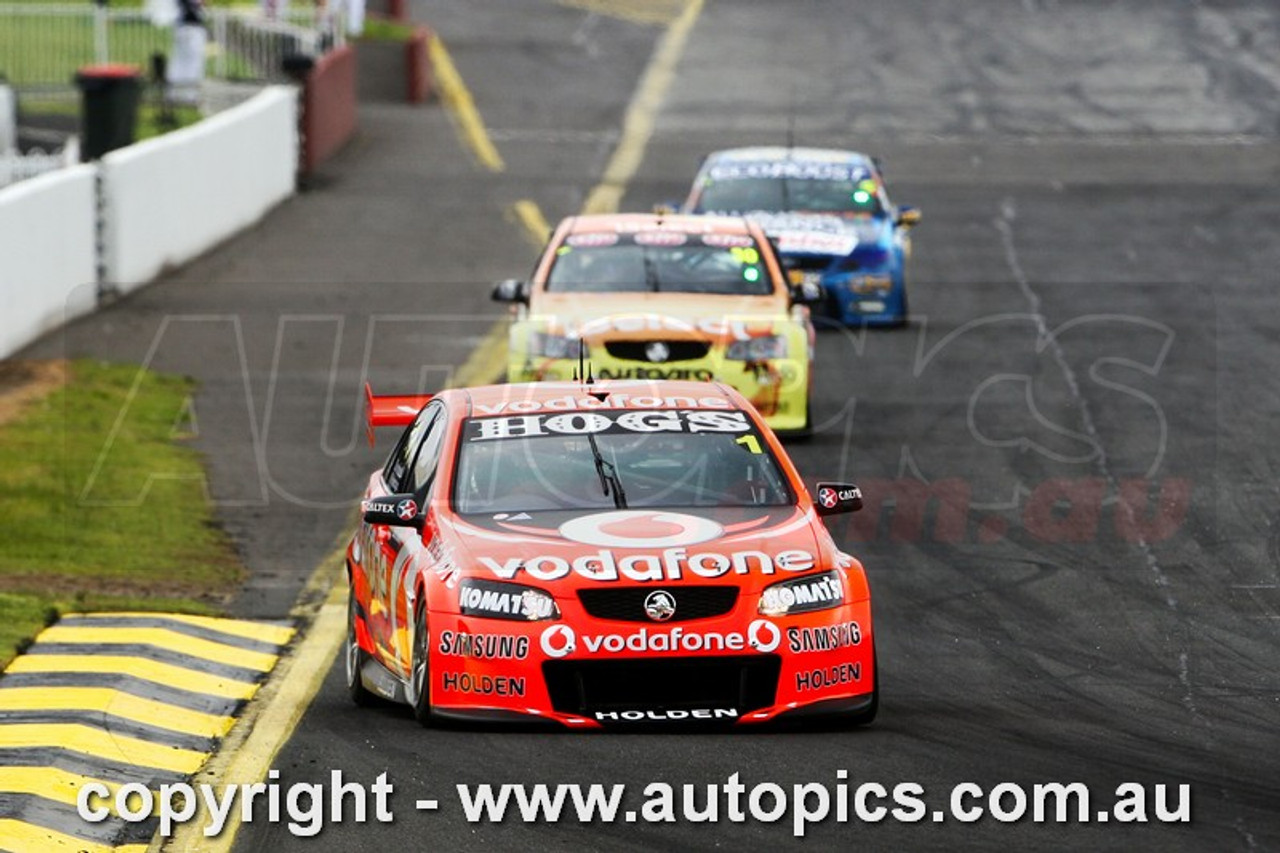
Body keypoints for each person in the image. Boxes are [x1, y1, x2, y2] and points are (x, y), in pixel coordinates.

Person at [167, 0, 207, 106]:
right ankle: (190, 96)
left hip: (182, 27)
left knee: (179, 62)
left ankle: (173, 94)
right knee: (193, 63)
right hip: (192, 28)